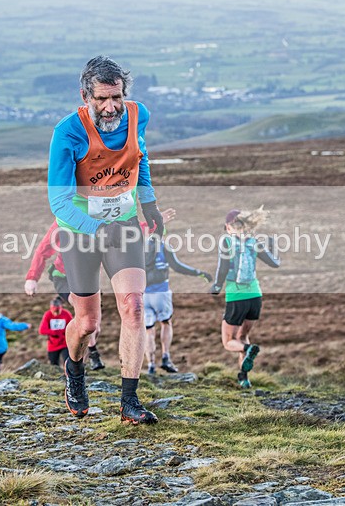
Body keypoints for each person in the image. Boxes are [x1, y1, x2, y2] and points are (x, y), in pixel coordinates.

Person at [48, 56, 164, 424]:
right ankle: (75, 371)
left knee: (133, 306)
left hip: (124, 223)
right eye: (101, 99)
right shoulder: (68, 133)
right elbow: (59, 201)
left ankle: (129, 401)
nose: (110, 106)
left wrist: (149, 203)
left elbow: (139, 157)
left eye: (116, 96)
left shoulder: (137, 115)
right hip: (80, 231)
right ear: (84, 96)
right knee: (88, 324)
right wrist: (98, 229)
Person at [211, 208, 281, 389]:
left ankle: (248, 350)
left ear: (228, 226)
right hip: (255, 297)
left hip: (236, 296)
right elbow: (274, 263)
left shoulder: (226, 241)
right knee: (243, 336)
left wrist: (217, 286)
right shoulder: (254, 242)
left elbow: (223, 267)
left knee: (229, 342)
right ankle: (244, 378)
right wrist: (274, 248)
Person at [25, 221, 105, 370]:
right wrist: (32, 278)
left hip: (88, 280)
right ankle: (92, 355)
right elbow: (43, 250)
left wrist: (154, 223)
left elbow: (131, 230)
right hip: (63, 277)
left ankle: (84, 362)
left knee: (94, 327)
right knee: (85, 314)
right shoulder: (65, 219)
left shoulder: (104, 216)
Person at [141, 212, 212, 375]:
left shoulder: (138, 247)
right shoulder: (164, 246)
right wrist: (199, 273)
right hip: (162, 291)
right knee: (166, 323)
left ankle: (151, 365)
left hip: (144, 294)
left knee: (149, 330)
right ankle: (166, 357)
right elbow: (178, 266)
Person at [38, 297, 73, 366]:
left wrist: (62, 332)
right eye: (54, 311)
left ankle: (69, 375)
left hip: (65, 343)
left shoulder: (66, 314)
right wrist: (55, 332)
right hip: (52, 344)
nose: (56, 314)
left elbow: (72, 328)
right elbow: (42, 330)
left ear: (61, 307)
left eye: (58, 311)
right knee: (53, 364)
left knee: (68, 362)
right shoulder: (47, 315)